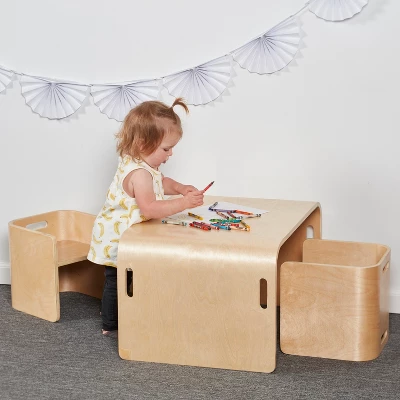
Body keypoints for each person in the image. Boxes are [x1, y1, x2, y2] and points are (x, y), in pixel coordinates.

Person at [87, 97, 204, 336]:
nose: (171, 154)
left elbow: (160, 182)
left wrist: (180, 188)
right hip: (118, 239)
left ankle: (127, 309)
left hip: (134, 236)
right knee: (117, 280)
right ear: (142, 143)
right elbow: (149, 208)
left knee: (133, 277)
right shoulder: (139, 174)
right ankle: (110, 324)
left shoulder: (144, 165)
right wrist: (184, 203)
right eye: (166, 149)